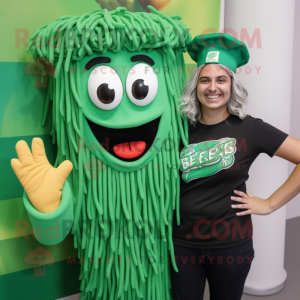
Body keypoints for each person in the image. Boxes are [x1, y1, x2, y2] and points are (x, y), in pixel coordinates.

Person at [170, 33, 300, 300]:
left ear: (232, 85)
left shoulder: (250, 128)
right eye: (204, 80)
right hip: (182, 245)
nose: (212, 87)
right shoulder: (178, 129)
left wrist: (270, 203)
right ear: (195, 85)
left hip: (230, 247)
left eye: (221, 79)